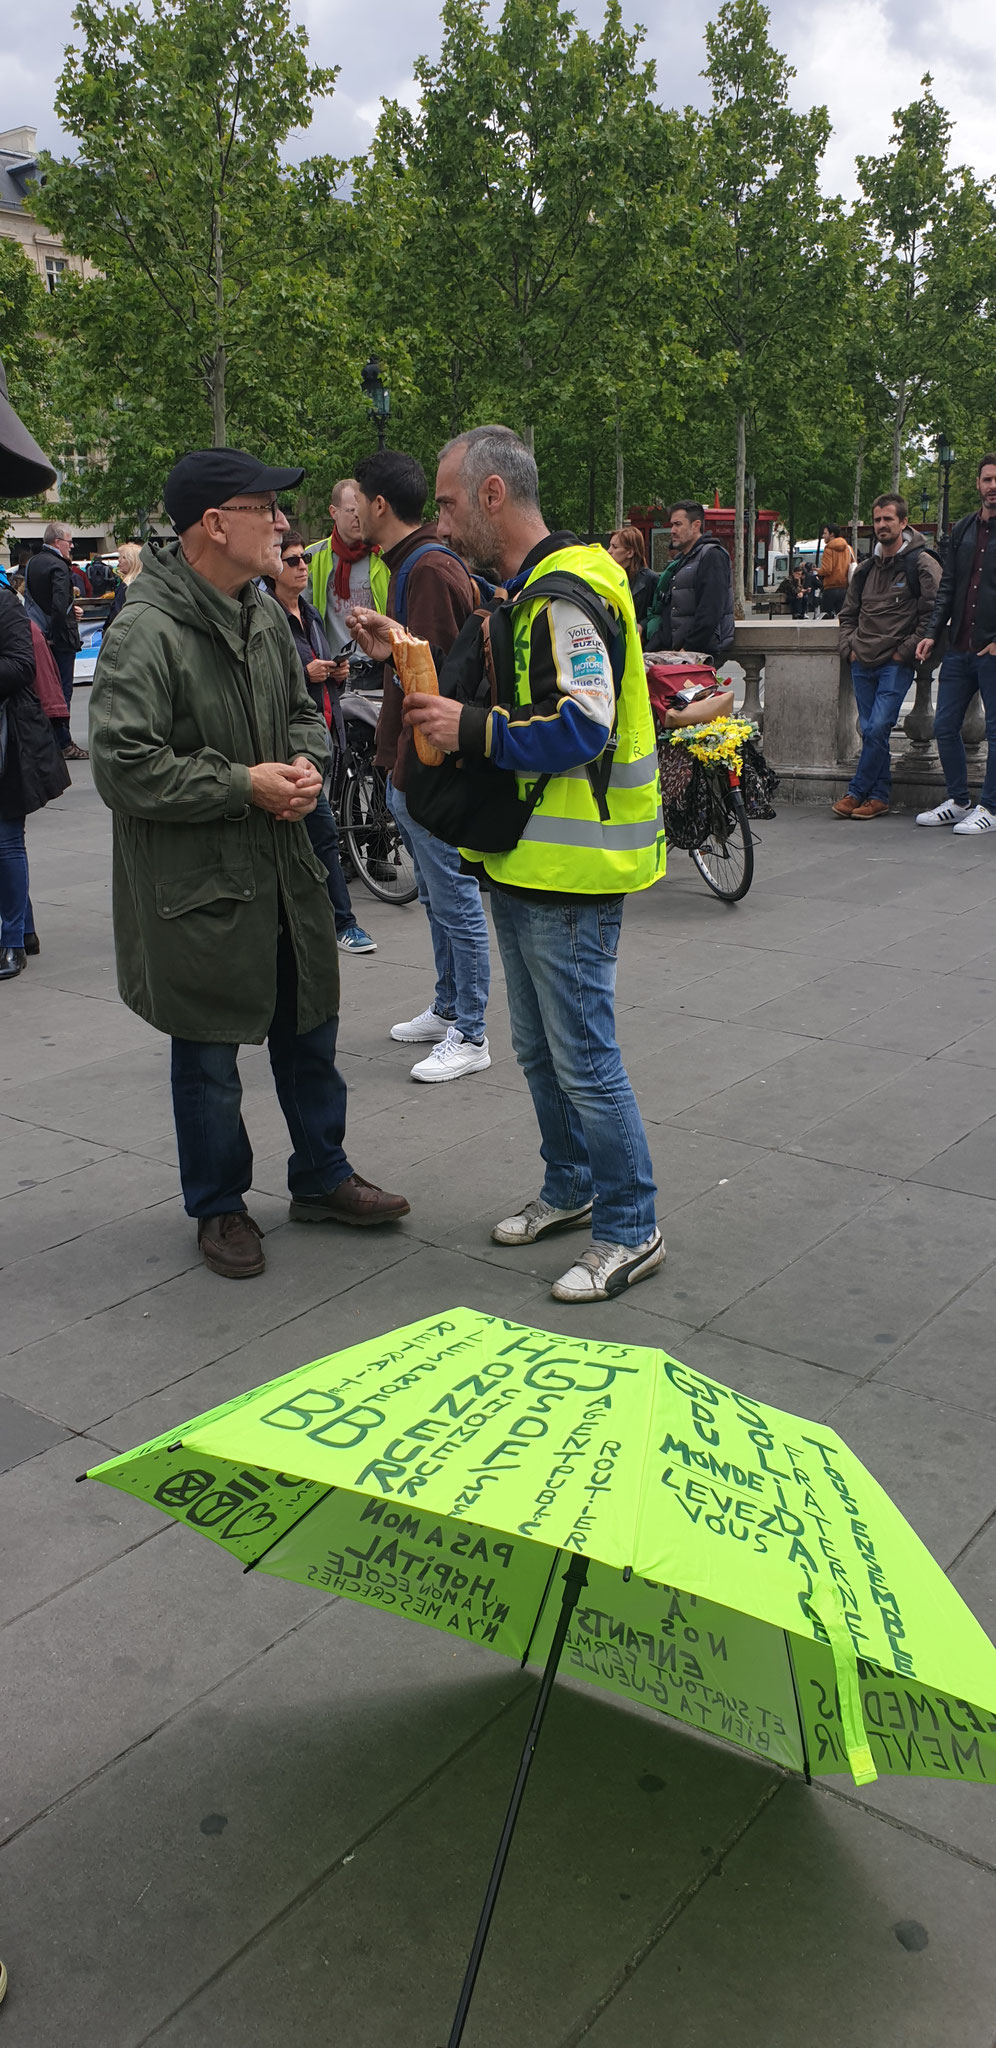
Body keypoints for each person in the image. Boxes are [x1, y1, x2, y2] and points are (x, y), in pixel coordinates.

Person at [351, 426, 665, 1303]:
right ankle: (569, 1189)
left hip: (573, 870)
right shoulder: (530, 587)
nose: (439, 519)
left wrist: (470, 728)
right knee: (539, 1049)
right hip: (530, 860)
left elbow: (585, 723)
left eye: (449, 502)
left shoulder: (566, 593)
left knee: (584, 1056)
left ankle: (631, 1225)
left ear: (493, 496)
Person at [88, 446, 409, 1279]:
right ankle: (220, 1206)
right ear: (212, 524)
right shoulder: (144, 629)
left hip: (283, 874)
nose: (281, 522)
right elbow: (122, 765)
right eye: (263, 507)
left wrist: (303, 765)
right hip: (199, 889)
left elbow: (304, 713)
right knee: (206, 1053)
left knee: (309, 1032)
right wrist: (243, 784)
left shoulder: (262, 613)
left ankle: (321, 1176)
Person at [351, 447, 489, 1083]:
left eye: (354, 502)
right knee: (438, 894)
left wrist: (408, 763)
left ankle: (471, 1029)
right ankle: (450, 1006)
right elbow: (419, 660)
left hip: (428, 761)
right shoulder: (419, 563)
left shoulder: (427, 568)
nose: (348, 515)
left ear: (379, 505)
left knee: (452, 895)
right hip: (419, 758)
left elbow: (429, 676)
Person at [265, 526, 376, 954]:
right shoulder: (268, 615)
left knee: (315, 835)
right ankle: (343, 922)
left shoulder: (309, 614)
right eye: (292, 561)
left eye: (304, 560)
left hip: (323, 730)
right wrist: (304, 672)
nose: (302, 568)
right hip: (290, 746)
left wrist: (336, 672)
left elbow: (318, 664)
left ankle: (313, 921)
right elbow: (274, 677)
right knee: (324, 831)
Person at [0, 359, 71, 981]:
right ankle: (19, 927)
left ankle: (15, 935)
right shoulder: (32, 579)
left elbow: (21, 659)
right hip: (21, 722)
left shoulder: (8, 592)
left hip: (12, 733)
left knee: (6, 838)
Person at [833, 494, 941, 821]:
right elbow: (848, 614)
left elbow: (933, 613)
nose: (881, 525)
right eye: (877, 519)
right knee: (871, 730)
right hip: (861, 661)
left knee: (878, 726)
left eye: (888, 519)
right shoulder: (864, 570)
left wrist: (902, 652)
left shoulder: (921, 562)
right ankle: (878, 796)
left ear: (903, 523)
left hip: (894, 663)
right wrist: (847, 649)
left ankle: (856, 790)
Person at [915, 454, 996, 834]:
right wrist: (932, 631)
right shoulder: (963, 529)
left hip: (991, 649)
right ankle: (960, 801)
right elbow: (947, 587)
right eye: (987, 479)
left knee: (995, 732)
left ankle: (991, 808)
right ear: (978, 484)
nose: (992, 486)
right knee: (944, 726)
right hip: (960, 647)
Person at [23, 521, 87, 759]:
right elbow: (59, 606)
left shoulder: (33, 563)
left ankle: (48, 741)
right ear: (58, 542)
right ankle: (64, 742)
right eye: (69, 542)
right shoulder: (59, 566)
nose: (71, 547)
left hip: (37, 634)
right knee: (62, 692)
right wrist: (62, 629)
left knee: (44, 691)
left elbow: (35, 600)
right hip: (58, 639)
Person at [308, 477, 389, 650]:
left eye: (361, 510)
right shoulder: (312, 557)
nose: (357, 517)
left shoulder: (383, 555)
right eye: (351, 510)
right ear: (333, 512)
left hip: (379, 666)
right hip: (334, 669)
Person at [645, 502, 734, 660]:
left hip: (695, 655)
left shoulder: (712, 556)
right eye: (672, 525)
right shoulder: (683, 560)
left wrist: (686, 649)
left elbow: (710, 611)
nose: (672, 531)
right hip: (677, 653)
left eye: (678, 524)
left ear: (696, 526)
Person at [607, 525, 657, 634]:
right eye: (610, 546)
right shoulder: (607, 578)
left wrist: (642, 626)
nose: (609, 551)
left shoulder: (650, 579)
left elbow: (658, 613)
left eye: (615, 547)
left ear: (630, 552)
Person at [817, 524, 853, 617]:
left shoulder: (829, 548)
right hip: (845, 588)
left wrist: (818, 571)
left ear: (832, 534)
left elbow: (827, 569)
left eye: (825, 533)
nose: (823, 536)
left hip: (830, 588)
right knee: (843, 619)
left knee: (825, 617)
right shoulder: (848, 548)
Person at [105, 541, 142, 627]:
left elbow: (117, 616)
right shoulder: (143, 583)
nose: (119, 560)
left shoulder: (127, 586)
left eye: (124, 557)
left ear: (133, 561)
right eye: (119, 557)